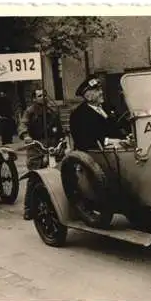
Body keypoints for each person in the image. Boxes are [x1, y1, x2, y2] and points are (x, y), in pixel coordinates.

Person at [18, 89, 64, 220]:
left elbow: (58, 128)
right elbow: (23, 124)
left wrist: (62, 138)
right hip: (36, 146)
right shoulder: (30, 111)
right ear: (34, 98)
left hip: (52, 145)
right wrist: (26, 135)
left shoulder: (52, 110)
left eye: (44, 95)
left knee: (57, 175)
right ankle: (28, 209)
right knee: (34, 177)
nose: (42, 98)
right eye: (39, 96)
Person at [69, 75, 126, 151]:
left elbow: (118, 125)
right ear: (88, 96)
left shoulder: (108, 107)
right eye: (97, 90)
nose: (101, 92)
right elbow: (83, 142)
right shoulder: (78, 115)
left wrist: (126, 137)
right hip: (96, 157)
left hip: (118, 152)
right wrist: (108, 141)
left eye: (101, 89)